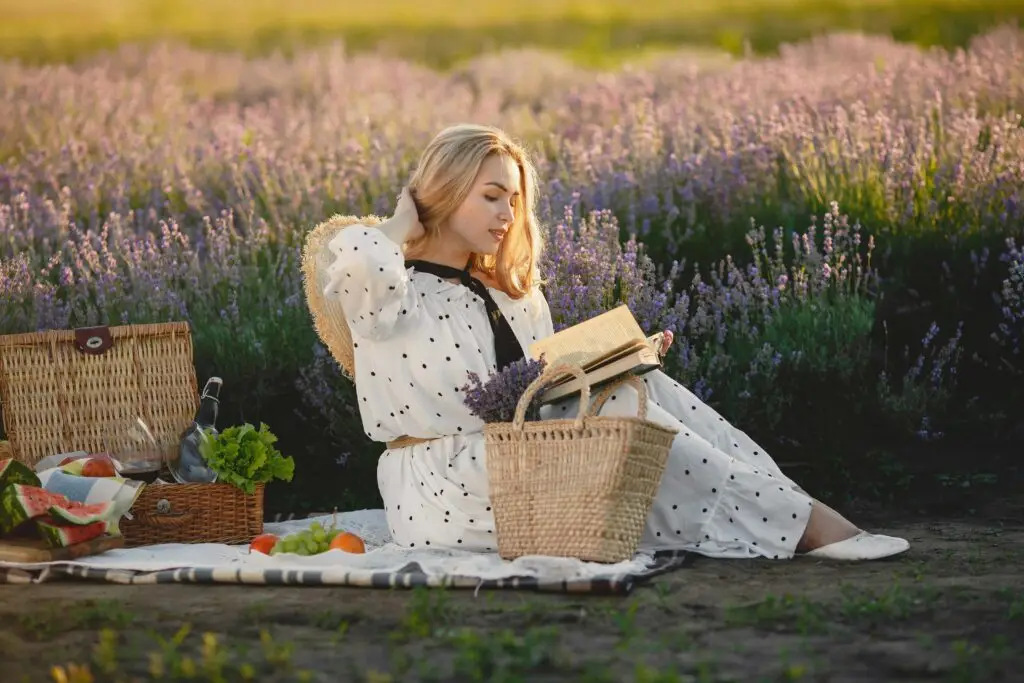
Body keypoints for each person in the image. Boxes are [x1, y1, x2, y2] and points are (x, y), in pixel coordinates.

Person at [319, 123, 909, 561]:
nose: (507, 213)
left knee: (639, 386)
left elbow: (540, 387)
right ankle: (802, 529)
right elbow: (351, 257)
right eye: (491, 195)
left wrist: (611, 360)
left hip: (523, 457)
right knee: (624, 413)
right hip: (445, 482)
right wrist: (403, 222)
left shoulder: (511, 294)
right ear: (446, 190)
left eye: (515, 200)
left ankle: (791, 507)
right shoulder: (393, 291)